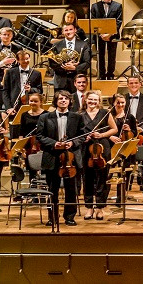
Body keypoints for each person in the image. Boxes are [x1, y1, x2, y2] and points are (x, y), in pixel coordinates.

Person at [38, 90, 83, 226]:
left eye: (66, 99)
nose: (63, 100)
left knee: (71, 189)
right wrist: (54, 143)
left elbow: (83, 135)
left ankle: (69, 217)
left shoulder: (77, 117)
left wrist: (73, 142)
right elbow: (39, 136)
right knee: (52, 189)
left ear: (70, 101)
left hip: (70, 158)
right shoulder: (45, 117)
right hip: (52, 156)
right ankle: (52, 217)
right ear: (56, 101)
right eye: (60, 99)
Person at [78, 91, 114, 220]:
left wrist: (102, 135)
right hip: (86, 148)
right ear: (86, 100)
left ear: (99, 102)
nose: (93, 102)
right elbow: (76, 133)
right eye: (90, 99)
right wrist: (84, 139)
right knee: (87, 177)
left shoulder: (105, 113)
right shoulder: (79, 115)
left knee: (102, 178)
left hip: (102, 147)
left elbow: (114, 129)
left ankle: (100, 207)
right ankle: (89, 207)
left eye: (95, 100)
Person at [89, 0, 124, 79]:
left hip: (112, 35)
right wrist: (101, 34)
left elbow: (119, 21)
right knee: (100, 55)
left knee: (112, 56)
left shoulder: (118, 6)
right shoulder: (95, 6)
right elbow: (93, 21)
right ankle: (101, 74)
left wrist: (109, 34)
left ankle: (110, 74)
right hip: (99, 36)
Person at [48, 22, 92, 94]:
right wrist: (65, 67)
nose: (68, 32)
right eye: (66, 30)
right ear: (62, 32)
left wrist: (75, 68)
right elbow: (52, 63)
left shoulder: (84, 45)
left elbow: (87, 62)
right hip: (61, 81)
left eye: (70, 29)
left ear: (75, 30)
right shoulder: (56, 45)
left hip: (77, 81)